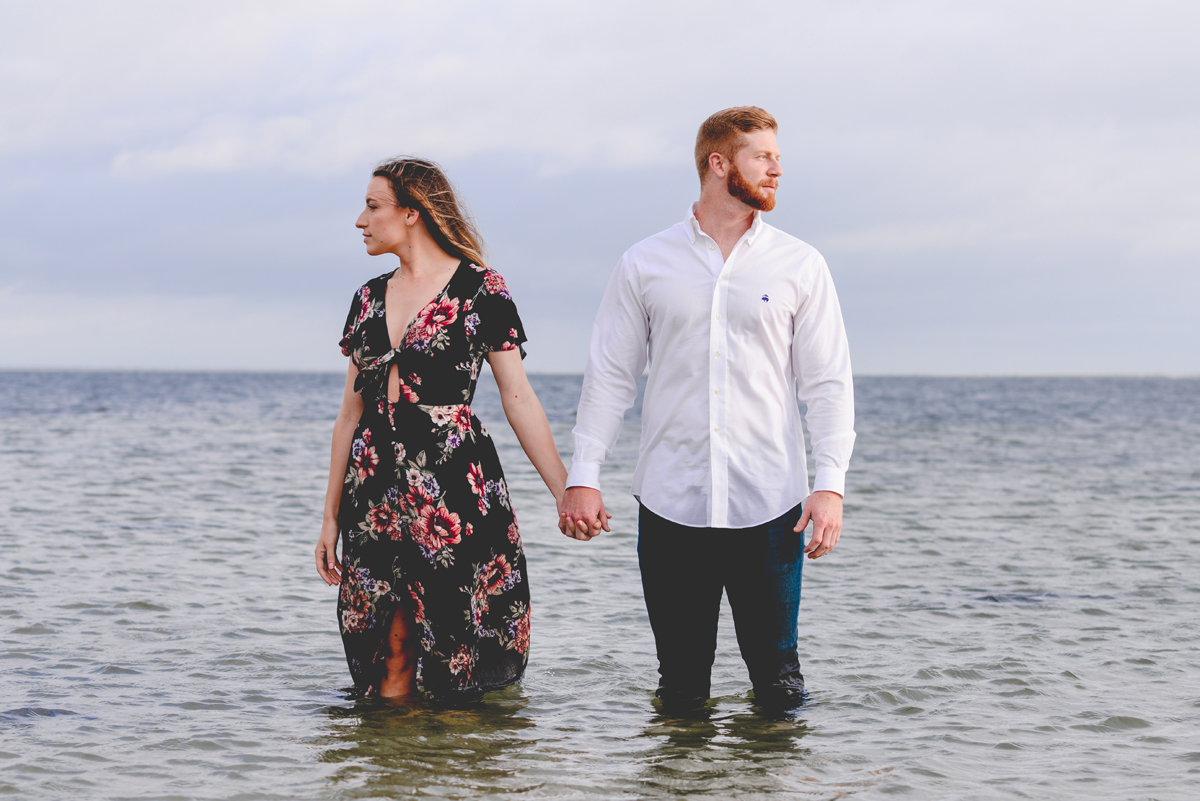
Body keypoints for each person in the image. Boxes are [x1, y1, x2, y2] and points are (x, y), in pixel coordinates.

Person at [558, 107, 856, 712]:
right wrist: (583, 476)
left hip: (771, 506)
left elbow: (826, 383)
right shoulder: (645, 262)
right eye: (762, 157)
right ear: (719, 164)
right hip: (671, 505)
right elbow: (612, 376)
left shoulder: (801, 264)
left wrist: (831, 486)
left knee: (779, 686)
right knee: (680, 689)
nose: (777, 169)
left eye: (777, 158)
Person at [315, 157, 567, 700]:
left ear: (411, 213)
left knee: (454, 650)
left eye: (373, 206)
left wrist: (565, 490)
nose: (361, 220)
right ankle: (386, 772)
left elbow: (518, 397)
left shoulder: (482, 290)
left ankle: (455, 771)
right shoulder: (366, 298)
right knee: (388, 649)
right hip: (375, 492)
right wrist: (330, 518)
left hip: (452, 488)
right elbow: (348, 415)